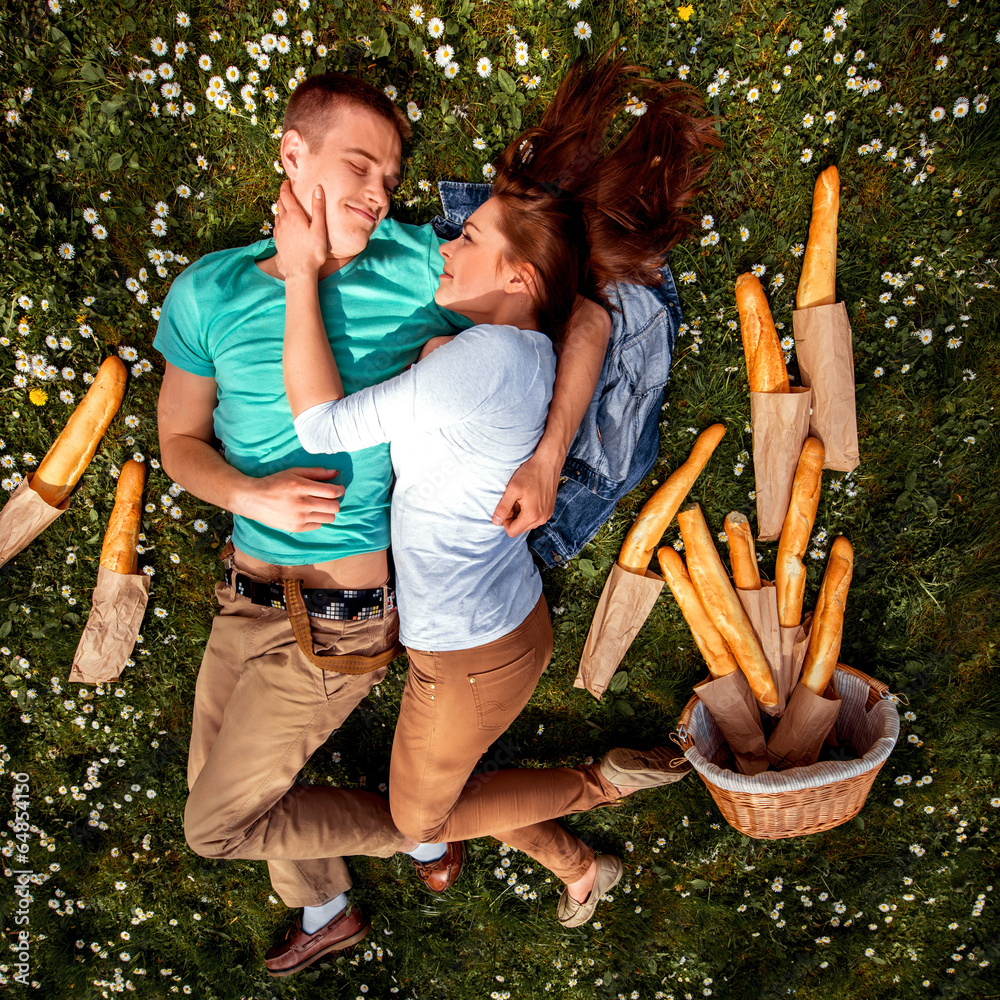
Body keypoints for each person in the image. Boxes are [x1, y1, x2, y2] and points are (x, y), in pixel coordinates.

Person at [154, 72, 611, 976]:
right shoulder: (206, 290)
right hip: (241, 595)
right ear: (293, 155)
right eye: (357, 168)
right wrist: (246, 495)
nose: (377, 195)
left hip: (338, 619)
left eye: (390, 181)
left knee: (216, 825)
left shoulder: (417, 267)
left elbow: (586, 317)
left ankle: (420, 836)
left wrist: (549, 454)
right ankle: (330, 904)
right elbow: (177, 441)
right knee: (233, 794)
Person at [280, 53, 720, 927]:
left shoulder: (478, 359)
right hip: (498, 628)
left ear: (519, 280)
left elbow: (320, 430)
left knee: (418, 820)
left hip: (468, 657)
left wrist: (300, 273)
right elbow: (590, 315)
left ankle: (597, 789)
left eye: (468, 238)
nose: (448, 243)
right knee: (432, 805)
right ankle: (575, 855)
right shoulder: (524, 348)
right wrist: (547, 450)